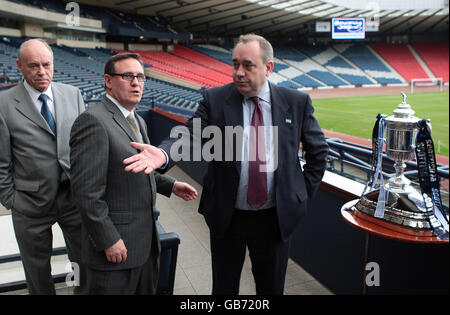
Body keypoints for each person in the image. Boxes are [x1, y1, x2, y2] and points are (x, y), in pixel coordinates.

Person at [123, 34, 329, 295]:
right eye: (234, 64)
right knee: (224, 288)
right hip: (227, 216)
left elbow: (318, 153)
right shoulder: (216, 99)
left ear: (268, 67)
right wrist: (163, 155)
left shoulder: (296, 102)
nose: (239, 72)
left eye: (248, 65)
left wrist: (300, 194)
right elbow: (191, 134)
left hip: (274, 219)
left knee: (271, 288)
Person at [69, 52, 197, 295]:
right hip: (115, 251)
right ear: (108, 80)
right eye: (128, 76)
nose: (136, 83)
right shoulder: (93, 121)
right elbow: (86, 193)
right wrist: (108, 240)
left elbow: (131, 169)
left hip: (144, 246)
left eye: (140, 77)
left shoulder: (137, 120)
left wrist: (170, 185)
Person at [0, 38, 86, 294]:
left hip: (73, 198)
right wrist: (11, 199)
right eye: (33, 65)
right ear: (19, 66)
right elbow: (1, 161)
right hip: (29, 203)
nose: (41, 71)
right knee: (37, 273)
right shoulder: (3, 104)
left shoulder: (73, 94)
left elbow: (84, 147)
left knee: (84, 264)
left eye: (46, 64)